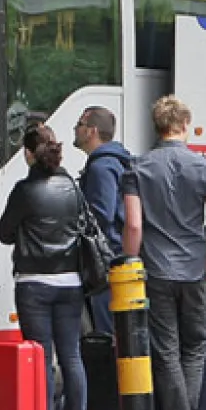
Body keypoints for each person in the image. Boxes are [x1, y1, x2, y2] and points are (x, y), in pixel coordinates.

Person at [122, 96, 206, 410]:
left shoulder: (137, 168)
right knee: (194, 348)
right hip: (195, 271)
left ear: (158, 126)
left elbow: (134, 226)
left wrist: (130, 265)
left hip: (156, 272)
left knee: (165, 350)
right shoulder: (205, 168)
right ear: (185, 125)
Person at [0, 125, 87, 410]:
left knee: (40, 358)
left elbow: (4, 233)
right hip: (71, 283)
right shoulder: (72, 188)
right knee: (71, 357)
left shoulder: (24, 191)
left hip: (34, 284)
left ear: (28, 153)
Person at [73, 106, 131, 335]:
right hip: (119, 256)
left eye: (79, 125)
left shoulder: (100, 167)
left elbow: (101, 215)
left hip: (106, 260)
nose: (76, 130)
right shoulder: (116, 162)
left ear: (92, 131)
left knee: (108, 332)